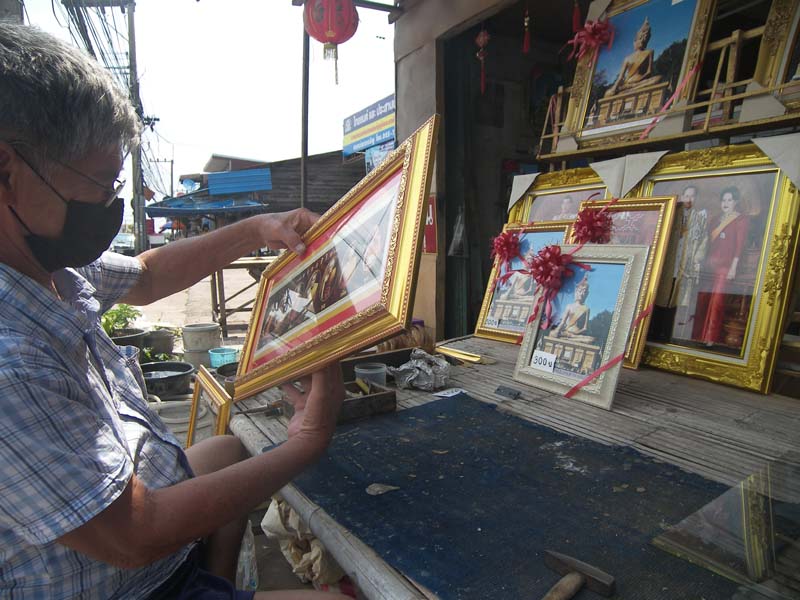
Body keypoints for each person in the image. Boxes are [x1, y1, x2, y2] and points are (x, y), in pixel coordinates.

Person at [0, 23, 349, 600]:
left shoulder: (46, 267)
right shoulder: (10, 361)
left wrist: (258, 229)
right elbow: (134, 534)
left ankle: (215, 579)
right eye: (100, 186)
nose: (110, 205)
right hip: (132, 581)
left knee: (231, 448)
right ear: (7, 171)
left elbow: (147, 276)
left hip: (153, 527)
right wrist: (306, 442)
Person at [691, 187, 749, 347]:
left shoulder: (740, 220)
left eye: (730, 200)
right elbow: (706, 244)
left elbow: (739, 246)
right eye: (724, 200)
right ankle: (697, 335)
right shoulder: (715, 220)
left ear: (736, 202)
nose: (726, 203)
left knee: (717, 301)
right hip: (708, 266)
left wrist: (733, 268)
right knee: (703, 299)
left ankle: (711, 337)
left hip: (725, 267)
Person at [670, 185, 709, 339]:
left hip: (688, 264)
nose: (689, 199)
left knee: (683, 299)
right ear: (682, 196)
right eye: (686, 195)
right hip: (671, 263)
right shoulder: (673, 215)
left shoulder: (700, 218)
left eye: (692, 196)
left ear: (696, 198)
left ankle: (678, 333)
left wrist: (697, 259)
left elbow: (704, 241)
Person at [604, 17, 662, 98]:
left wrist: (639, 80)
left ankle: (630, 90)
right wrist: (614, 88)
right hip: (627, 84)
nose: (642, 41)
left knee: (658, 78)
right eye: (640, 38)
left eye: (645, 39)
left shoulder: (649, 52)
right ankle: (630, 89)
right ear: (635, 41)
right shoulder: (627, 58)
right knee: (607, 93)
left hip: (640, 82)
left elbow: (649, 72)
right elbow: (621, 77)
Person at [552, 276, 595, 344]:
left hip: (576, 335)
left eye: (584, 292)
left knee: (591, 340)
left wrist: (575, 333)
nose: (581, 294)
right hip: (566, 332)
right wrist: (557, 330)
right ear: (576, 291)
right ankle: (568, 338)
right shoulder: (569, 306)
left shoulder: (586, 309)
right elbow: (563, 322)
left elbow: (585, 328)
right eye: (580, 291)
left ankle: (568, 338)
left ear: (587, 294)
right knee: (552, 333)